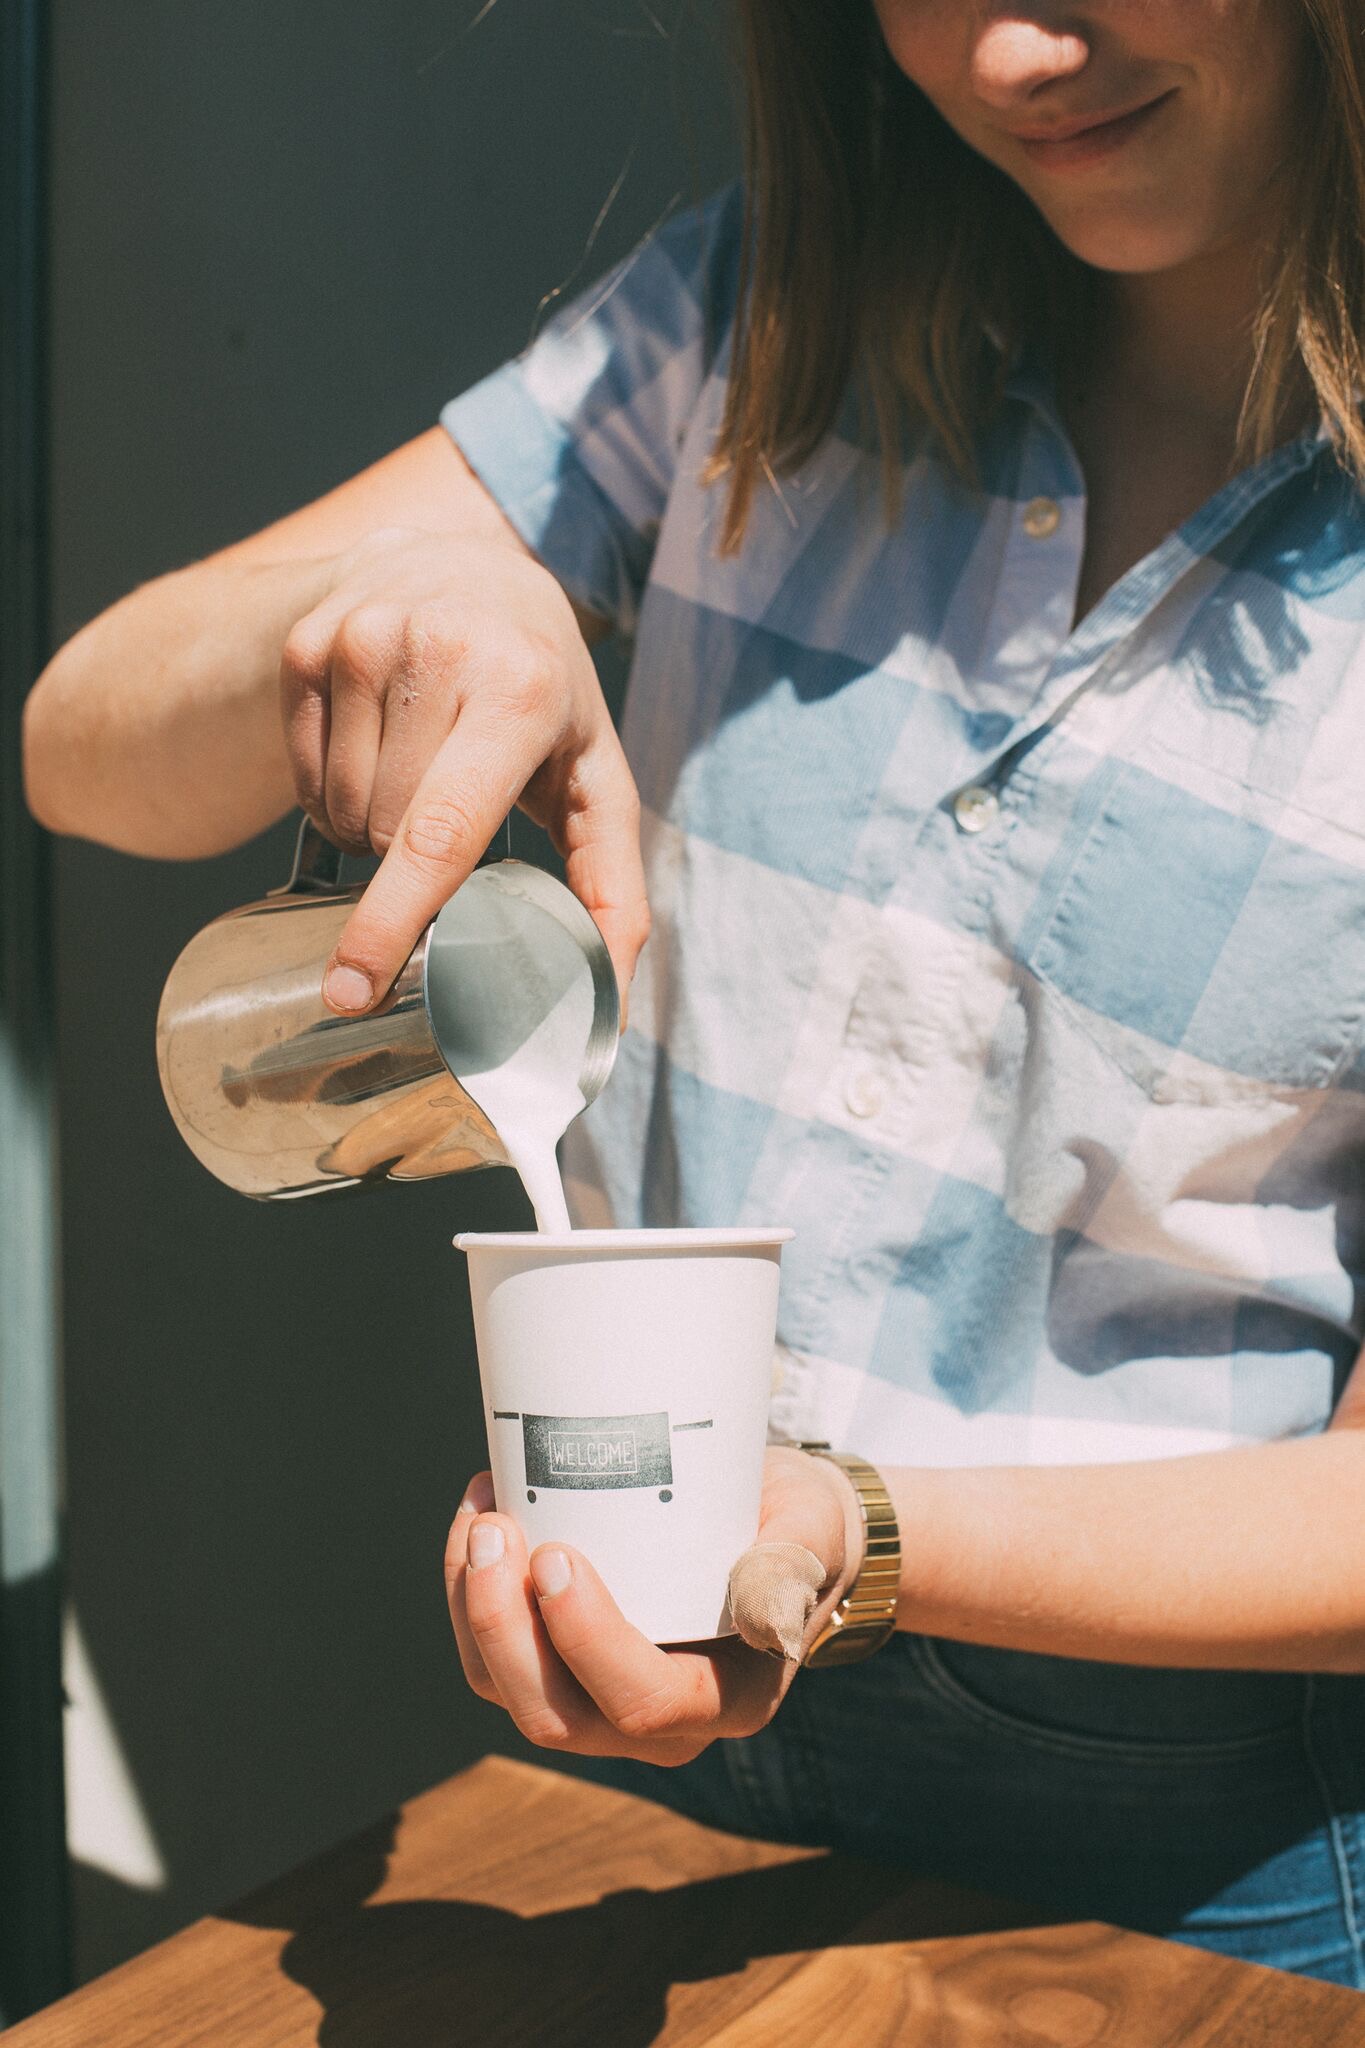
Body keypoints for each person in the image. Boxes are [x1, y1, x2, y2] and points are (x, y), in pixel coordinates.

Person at [24, 0, 1365, 1988]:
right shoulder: (756, 319)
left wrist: (854, 1532)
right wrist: (442, 603)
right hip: (623, 1785)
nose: (1005, 55)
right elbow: (84, 735)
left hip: (1191, 1900)